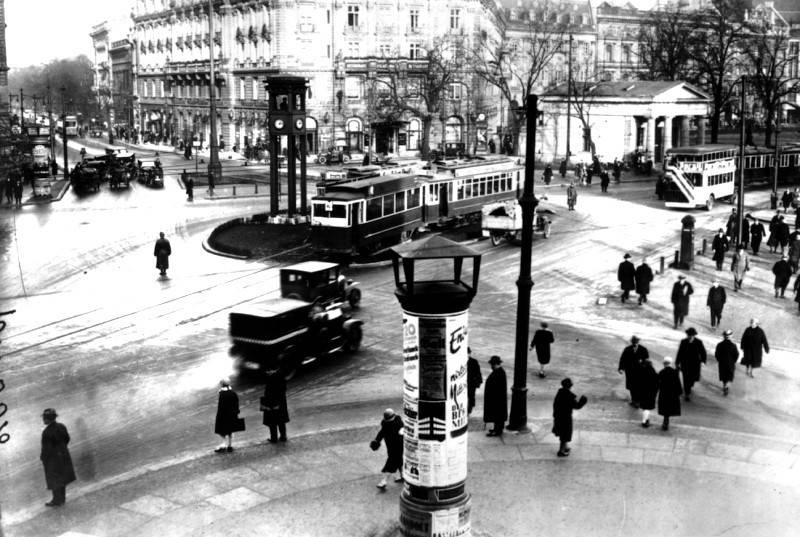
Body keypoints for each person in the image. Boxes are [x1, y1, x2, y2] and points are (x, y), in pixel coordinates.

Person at [40, 408, 76, 507]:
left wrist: (43, 458)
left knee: (54, 479)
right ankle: (62, 498)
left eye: (44, 418)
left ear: (48, 419)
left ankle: (56, 500)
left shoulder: (46, 432)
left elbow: (46, 449)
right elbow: (67, 439)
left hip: (53, 459)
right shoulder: (61, 426)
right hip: (63, 455)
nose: (43, 419)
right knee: (62, 477)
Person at [552, 378, 587, 457]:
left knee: (562, 432)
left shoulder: (560, 393)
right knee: (565, 433)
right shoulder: (570, 396)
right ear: (570, 386)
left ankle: (566, 447)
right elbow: (577, 406)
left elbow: (555, 404)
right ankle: (561, 451)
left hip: (558, 416)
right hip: (566, 417)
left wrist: (555, 414)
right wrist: (583, 401)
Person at [371, 408, 404, 490]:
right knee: (398, 460)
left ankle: (383, 481)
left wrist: (377, 440)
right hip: (391, 446)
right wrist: (377, 440)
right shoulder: (388, 424)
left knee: (391, 463)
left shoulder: (397, 423)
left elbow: (382, 433)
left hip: (398, 446)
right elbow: (382, 432)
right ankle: (402, 475)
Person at [675, 327, 707, 401]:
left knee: (693, 378)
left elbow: (703, 352)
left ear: (694, 335)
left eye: (691, 335)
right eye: (688, 335)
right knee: (686, 378)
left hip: (695, 364)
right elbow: (680, 352)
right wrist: (677, 362)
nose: (690, 336)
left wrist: (703, 361)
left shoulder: (699, 342)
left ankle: (690, 386)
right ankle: (687, 393)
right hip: (685, 363)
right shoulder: (683, 342)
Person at [214, 378, 243, 453]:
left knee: (221, 430)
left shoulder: (221, 394)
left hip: (223, 414)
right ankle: (230, 445)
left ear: (222, 384)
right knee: (230, 430)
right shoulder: (233, 393)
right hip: (232, 414)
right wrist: (237, 412)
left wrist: (219, 415)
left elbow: (221, 406)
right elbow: (236, 403)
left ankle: (224, 444)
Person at [618, 335, 649, 407]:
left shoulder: (643, 349)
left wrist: (645, 367)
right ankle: (634, 400)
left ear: (638, 341)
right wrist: (621, 368)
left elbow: (647, 360)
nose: (634, 342)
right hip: (630, 371)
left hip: (640, 372)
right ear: (632, 341)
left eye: (636, 341)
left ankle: (637, 401)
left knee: (638, 386)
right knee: (631, 386)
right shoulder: (627, 349)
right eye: (633, 341)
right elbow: (623, 359)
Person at [261, 367, 289, 442]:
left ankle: (274, 438)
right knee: (281, 420)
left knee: (271, 420)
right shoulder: (281, 375)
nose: (267, 372)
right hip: (281, 401)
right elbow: (284, 388)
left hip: (271, 401)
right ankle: (283, 436)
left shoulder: (269, 378)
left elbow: (268, 391)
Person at [483, 355, 507, 437]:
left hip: (497, 399)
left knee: (498, 415)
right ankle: (497, 429)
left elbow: (497, 387)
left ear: (495, 364)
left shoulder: (499, 373)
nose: (491, 367)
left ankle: (497, 430)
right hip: (497, 399)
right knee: (497, 415)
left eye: (492, 365)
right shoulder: (499, 372)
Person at [656, 357, 682, 431]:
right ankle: (666, 421)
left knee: (665, 408)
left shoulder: (661, 372)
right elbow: (678, 383)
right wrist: (679, 392)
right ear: (670, 363)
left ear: (664, 364)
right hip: (672, 394)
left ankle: (665, 421)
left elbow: (657, 383)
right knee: (669, 408)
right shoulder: (674, 372)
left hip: (664, 393)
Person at [715, 329, 739, 395]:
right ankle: (726, 386)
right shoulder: (733, 345)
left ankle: (724, 385)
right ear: (731, 336)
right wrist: (733, 361)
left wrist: (719, 360)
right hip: (730, 364)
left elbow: (717, 354)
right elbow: (736, 355)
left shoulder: (719, 345)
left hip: (722, 363)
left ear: (724, 336)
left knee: (723, 376)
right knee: (729, 376)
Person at [636, 358, 658, 428]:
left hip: (643, 392)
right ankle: (644, 421)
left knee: (644, 407)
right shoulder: (653, 371)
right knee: (647, 408)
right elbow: (657, 383)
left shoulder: (642, 370)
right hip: (651, 392)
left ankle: (646, 420)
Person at [466, 347, 482, 415]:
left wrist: (477, 382)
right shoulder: (460, 361)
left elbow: (478, 373)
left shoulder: (474, 362)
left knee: (471, 396)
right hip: (465, 382)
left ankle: (469, 410)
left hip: (471, 383)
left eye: (468, 353)